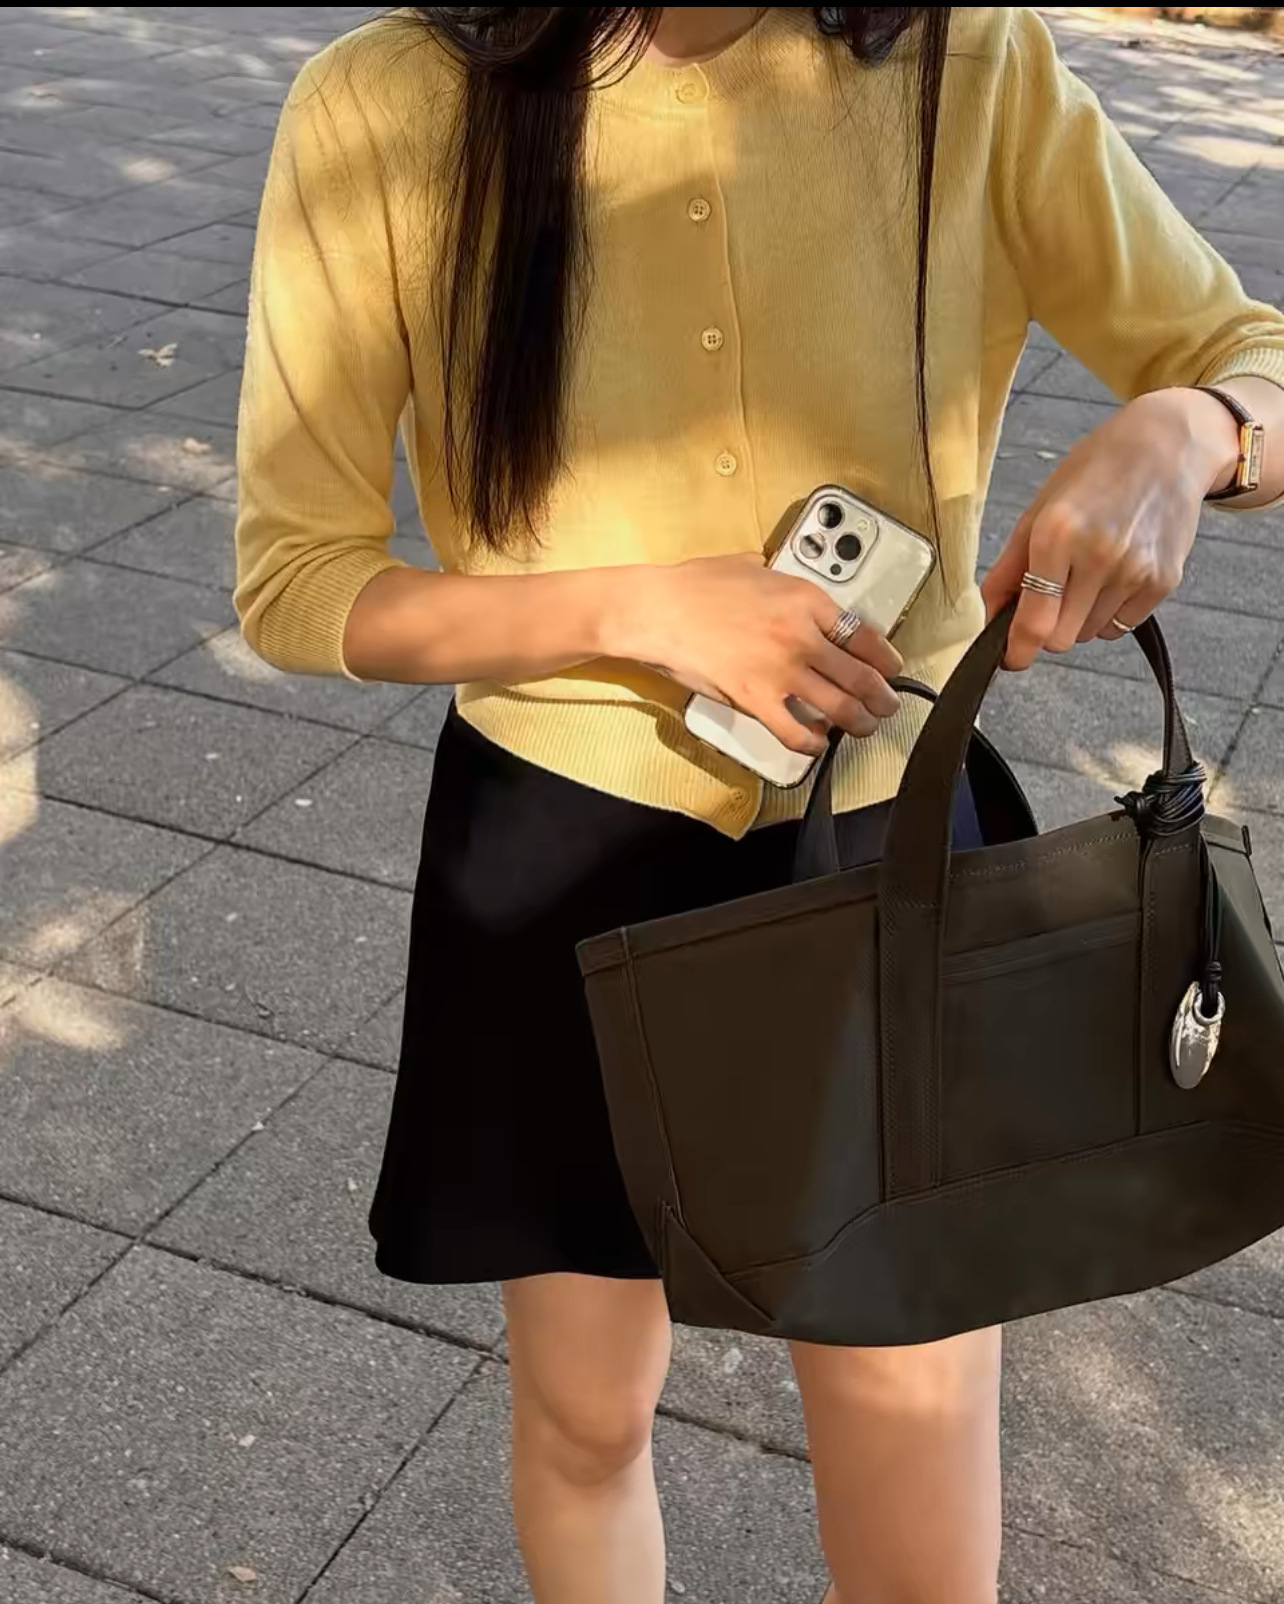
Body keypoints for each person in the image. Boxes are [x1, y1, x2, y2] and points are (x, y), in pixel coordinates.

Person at [234, 7, 1284, 1599]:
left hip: (886, 854)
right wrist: (638, 607)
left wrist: (1193, 427)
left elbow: (1252, 357)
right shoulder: (385, 104)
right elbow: (297, 578)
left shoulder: (964, 60)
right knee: (586, 1418)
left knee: (913, 1433)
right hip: (558, 852)